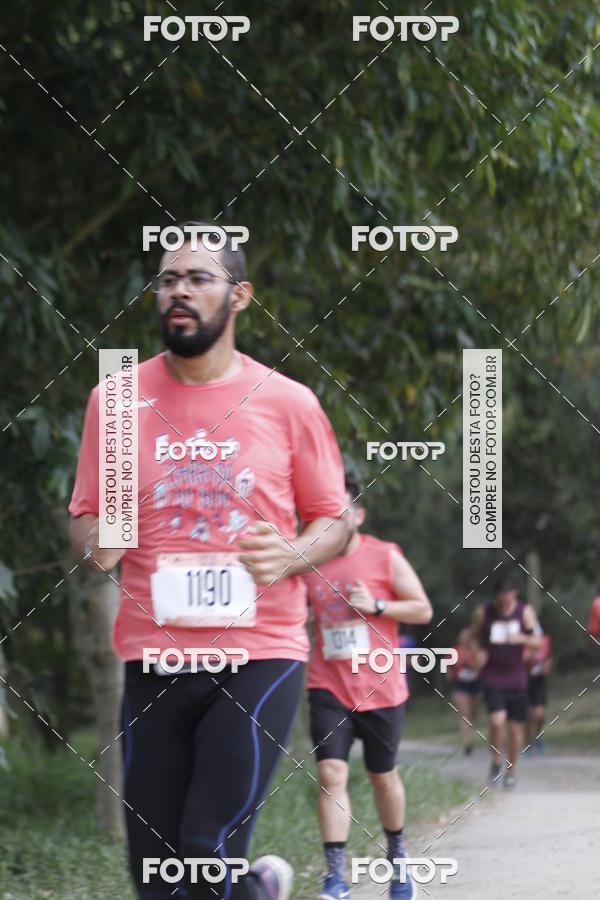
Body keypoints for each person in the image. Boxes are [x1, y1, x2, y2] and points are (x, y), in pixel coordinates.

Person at [68, 223, 349, 900]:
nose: (179, 292)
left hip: (259, 654)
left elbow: (333, 522)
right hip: (153, 657)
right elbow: (88, 524)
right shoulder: (117, 403)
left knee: (202, 846)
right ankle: (260, 890)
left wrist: (291, 554)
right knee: (158, 879)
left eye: (197, 278)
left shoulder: (288, 402)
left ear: (240, 296)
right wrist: (100, 538)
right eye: (167, 280)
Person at [303, 475, 433, 899]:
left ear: (358, 515)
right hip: (328, 684)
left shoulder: (384, 556)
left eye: (339, 513)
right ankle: (336, 877)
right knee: (331, 773)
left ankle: (398, 859)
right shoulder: (307, 560)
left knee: (382, 778)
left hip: (381, 687)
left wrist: (377, 605)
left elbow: (422, 609)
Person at [471, 577, 542, 789]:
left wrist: (522, 639)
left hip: (517, 676)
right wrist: (477, 653)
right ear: (496, 597)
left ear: (515, 595)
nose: (505, 604)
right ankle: (495, 761)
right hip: (492, 675)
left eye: (508, 599)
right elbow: (471, 637)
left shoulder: (525, 612)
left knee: (514, 730)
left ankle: (511, 771)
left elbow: (538, 642)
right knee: (497, 721)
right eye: (501, 599)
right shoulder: (483, 613)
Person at [445, 627, 486, 755]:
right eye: (463, 636)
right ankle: (467, 744)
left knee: (472, 714)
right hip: (460, 684)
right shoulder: (454, 651)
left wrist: (473, 652)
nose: (465, 639)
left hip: (475, 683)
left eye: (468, 637)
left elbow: (480, 665)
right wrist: (449, 674)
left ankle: (469, 735)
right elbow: (447, 666)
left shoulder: (479, 651)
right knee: (465, 714)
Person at [524, 623, 552, 754]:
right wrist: (528, 660)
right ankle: (526, 743)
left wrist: (545, 667)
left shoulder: (545, 642)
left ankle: (538, 735)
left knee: (540, 714)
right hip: (524, 682)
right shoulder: (523, 645)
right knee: (528, 715)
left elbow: (547, 659)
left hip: (539, 681)